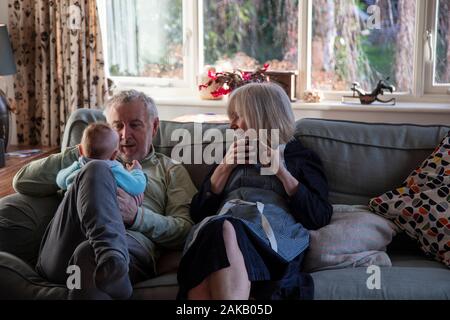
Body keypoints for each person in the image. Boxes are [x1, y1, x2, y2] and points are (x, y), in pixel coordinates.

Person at [13, 90, 197, 299]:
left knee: (88, 253)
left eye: (135, 125)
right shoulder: (83, 159)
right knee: (97, 169)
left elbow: (186, 230)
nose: (124, 135)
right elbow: (22, 181)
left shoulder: (170, 170)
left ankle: (110, 256)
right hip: (62, 252)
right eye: (117, 126)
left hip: (125, 256)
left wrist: (137, 217)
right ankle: (109, 254)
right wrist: (85, 152)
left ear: (154, 127)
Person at [177, 82, 333, 300]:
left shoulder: (298, 157)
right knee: (216, 230)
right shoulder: (229, 154)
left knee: (220, 231)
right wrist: (224, 167)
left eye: (237, 116)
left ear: (260, 117)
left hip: (271, 243)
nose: (231, 125)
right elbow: (198, 214)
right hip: (223, 234)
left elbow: (319, 216)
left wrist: (281, 172)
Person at [56, 122, 147, 196]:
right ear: (114, 155)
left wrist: (73, 166)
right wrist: (137, 171)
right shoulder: (114, 170)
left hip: (72, 213)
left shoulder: (77, 167)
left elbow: (60, 182)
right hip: (101, 214)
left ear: (80, 150)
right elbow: (137, 187)